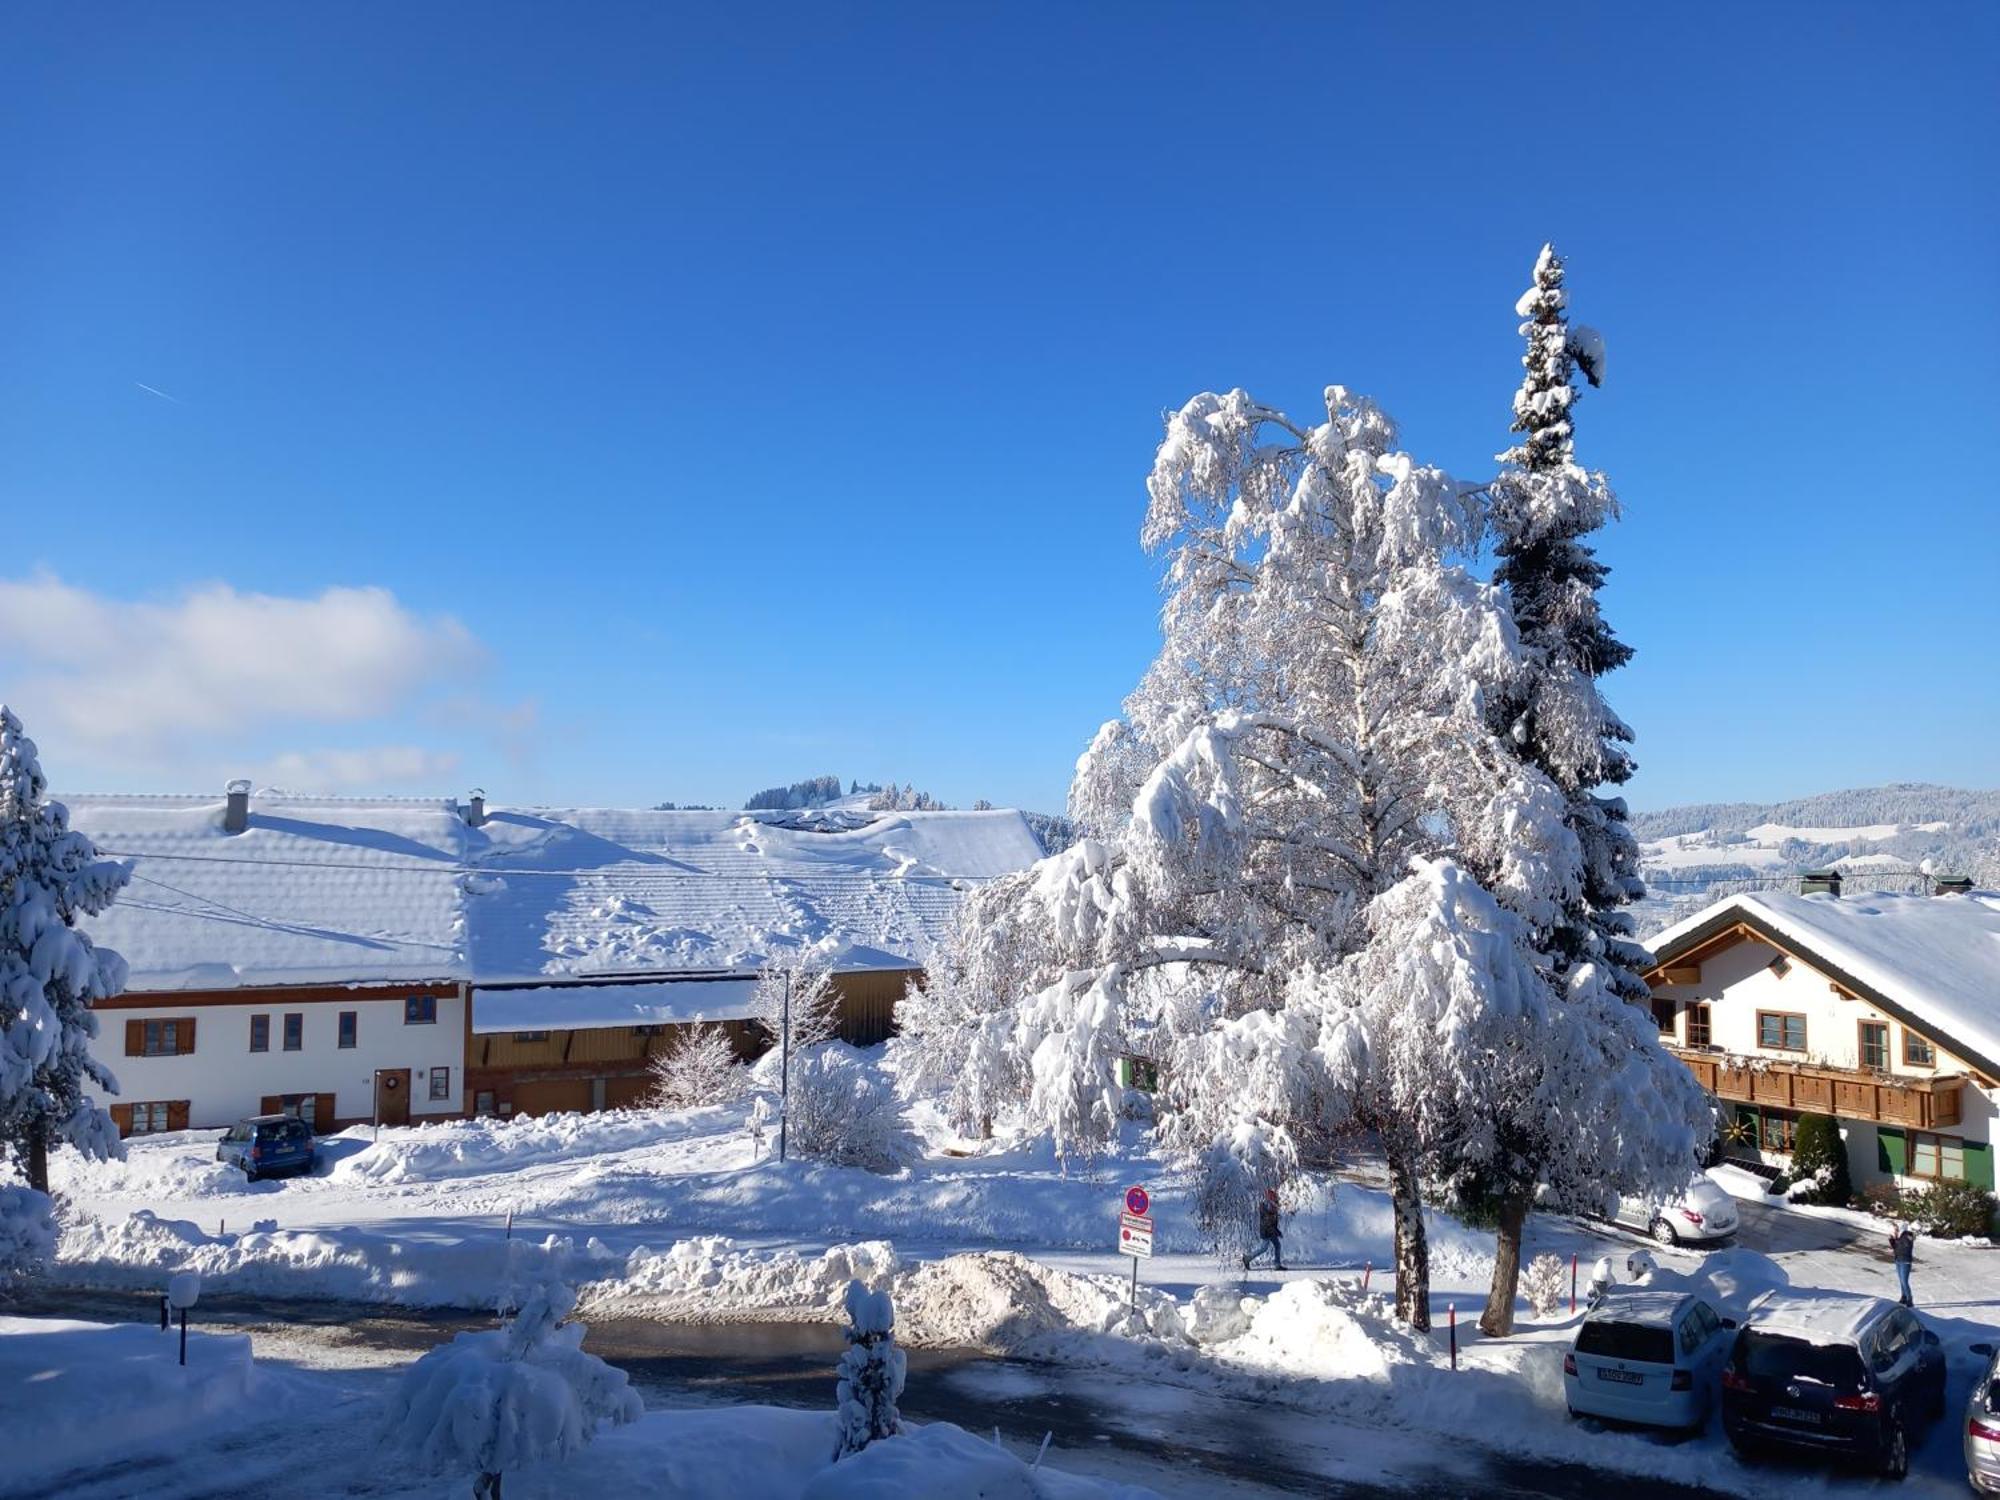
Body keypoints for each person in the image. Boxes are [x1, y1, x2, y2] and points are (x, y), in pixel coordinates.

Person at [1242, 1188, 1285, 1271]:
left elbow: (1272, 1221)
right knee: (1264, 1248)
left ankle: (1277, 1264)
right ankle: (1247, 1258)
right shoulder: (1268, 1206)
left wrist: (1277, 1231)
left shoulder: (1271, 1206)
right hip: (1267, 1231)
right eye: (1274, 1197)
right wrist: (1275, 1231)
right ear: (1270, 1197)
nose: (1276, 1198)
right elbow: (1268, 1221)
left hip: (1270, 1230)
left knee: (1277, 1246)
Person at [1890, 1222, 1916, 1306]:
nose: (1896, 1230)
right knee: (1901, 1281)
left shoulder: (1908, 1236)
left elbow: (1907, 1245)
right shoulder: (1900, 1236)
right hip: (1898, 1260)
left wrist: (1897, 1238)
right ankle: (1903, 1297)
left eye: (1897, 1228)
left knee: (1904, 1281)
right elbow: (1896, 1248)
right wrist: (1892, 1240)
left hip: (1905, 1261)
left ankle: (1909, 1299)